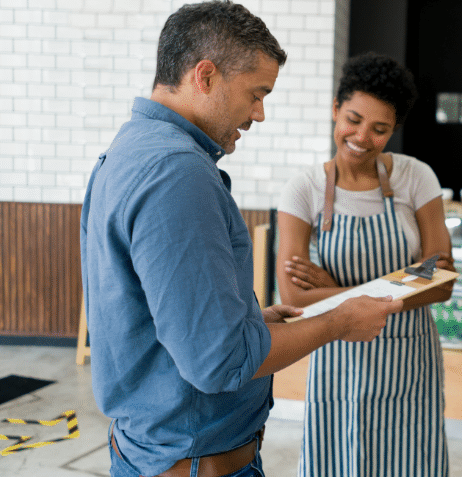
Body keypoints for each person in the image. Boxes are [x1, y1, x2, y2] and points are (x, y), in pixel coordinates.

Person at [80, 3, 401, 476]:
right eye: (256, 94)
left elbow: (163, 313)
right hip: (194, 459)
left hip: (151, 448)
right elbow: (219, 362)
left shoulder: (128, 150)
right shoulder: (177, 173)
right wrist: (338, 323)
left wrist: (250, 318)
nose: (260, 113)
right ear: (205, 76)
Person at [276, 52, 454, 476]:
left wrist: (333, 289)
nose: (361, 136)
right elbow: (294, 296)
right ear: (335, 110)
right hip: (337, 358)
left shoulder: (416, 178)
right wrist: (407, 282)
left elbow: (443, 281)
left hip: (410, 364)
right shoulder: (305, 188)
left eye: (380, 129)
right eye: (352, 119)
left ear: (393, 130)